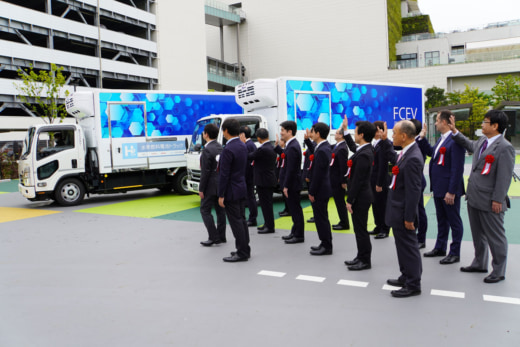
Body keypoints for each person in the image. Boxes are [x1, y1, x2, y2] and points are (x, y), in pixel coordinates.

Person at [448, 110, 515, 283]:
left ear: (495, 126)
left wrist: (498, 199)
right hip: (474, 197)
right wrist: (455, 131)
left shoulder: (505, 147)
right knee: (478, 234)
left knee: (495, 236)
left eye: (485, 122)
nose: (482, 125)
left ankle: (499, 270)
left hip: (490, 200)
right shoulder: (483, 141)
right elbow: (469, 145)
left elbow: (504, 177)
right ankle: (479, 263)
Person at [381, 120, 424, 297]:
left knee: (408, 247)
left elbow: (414, 191)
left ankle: (413, 284)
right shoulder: (407, 152)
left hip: (403, 211)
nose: (392, 136)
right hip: (397, 208)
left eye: (394, 134)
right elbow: (396, 163)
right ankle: (406, 275)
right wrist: (385, 142)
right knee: (402, 245)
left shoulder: (413, 157)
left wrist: (409, 218)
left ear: (404, 136)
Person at [417, 110, 465, 264]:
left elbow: (457, 169)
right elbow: (433, 154)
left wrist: (451, 191)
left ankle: (455, 252)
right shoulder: (442, 139)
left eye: (437, 120)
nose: (435, 123)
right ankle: (440, 247)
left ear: (444, 122)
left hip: (449, 190)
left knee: (454, 220)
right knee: (441, 220)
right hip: (438, 187)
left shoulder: (455, 140)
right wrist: (422, 139)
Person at [342, 118, 376, 270]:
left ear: (361, 135)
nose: (354, 135)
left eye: (355, 133)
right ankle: (360, 256)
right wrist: (346, 131)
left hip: (361, 197)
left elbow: (358, 180)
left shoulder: (364, 154)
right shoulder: (364, 150)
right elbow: (353, 147)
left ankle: (365, 260)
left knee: (361, 229)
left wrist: (350, 199)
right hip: (362, 195)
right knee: (358, 229)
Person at [218, 118, 251, 262]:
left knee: (236, 221)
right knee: (242, 219)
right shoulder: (243, 145)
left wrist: (220, 194)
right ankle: (244, 249)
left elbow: (224, 174)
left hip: (231, 190)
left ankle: (242, 252)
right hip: (241, 187)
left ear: (225, 131)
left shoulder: (228, 149)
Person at [276, 120, 305, 244]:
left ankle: (299, 235)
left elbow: (291, 169)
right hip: (291, 183)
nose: (281, 133)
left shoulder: (293, 146)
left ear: (290, 131)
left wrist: (286, 185)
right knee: (293, 210)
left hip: (292, 184)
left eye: (283, 130)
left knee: (295, 210)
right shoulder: (290, 145)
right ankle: (295, 231)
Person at [307, 122, 333, 255]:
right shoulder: (321, 147)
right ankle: (324, 242)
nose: (311, 133)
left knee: (321, 217)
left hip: (320, 190)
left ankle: (326, 245)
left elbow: (319, 174)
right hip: (322, 188)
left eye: (313, 131)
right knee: (321, 217)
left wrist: (312, 191)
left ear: (318, 133)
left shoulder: (323, 150)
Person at [199, 123, 227, 246]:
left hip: (210, 185)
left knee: (205, 210)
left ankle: (213, 236)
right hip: (220, 183)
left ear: (206, 134)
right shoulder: (220, 147)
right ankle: (221, 236)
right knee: (220, 211)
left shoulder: (207, 150)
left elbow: (205, 172)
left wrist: (201, 189)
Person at [249, 128, 277, 234]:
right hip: (268, 179)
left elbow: (250, 156)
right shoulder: (270, 147)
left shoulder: (263, 149)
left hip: (264, 180)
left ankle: (269, 226)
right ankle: (267, 223)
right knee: (267, 204)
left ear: (259, 138)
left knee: (266, 205)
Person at [369, 121, 391, 239]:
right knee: (375, 204)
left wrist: (379, 183)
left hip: (380, 181)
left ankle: (385, 228)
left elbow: (383, 166)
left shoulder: (382, 145)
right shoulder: (375, 144)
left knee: (382, 205)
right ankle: (378, 225)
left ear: (379, 131)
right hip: (373, 179)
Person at [411, 119, 428, 248]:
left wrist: (422, 138)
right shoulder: (412, 141)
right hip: (412, 182)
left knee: (419, 210)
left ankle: (421, 239)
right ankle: (415, 235)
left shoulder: (419, 142)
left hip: (418, 182)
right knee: (414, 210)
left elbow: (428, 152)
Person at [329, 128, 350, 230]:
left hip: (338, 179)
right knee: (338, 202)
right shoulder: (337, 146)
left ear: (341, 135)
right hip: (334, 178)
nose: (335, 134)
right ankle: (342, 221)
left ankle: (345, 223)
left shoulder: (342, 148)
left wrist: (343, 181)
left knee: (340, 202)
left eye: (337, 133)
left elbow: (343, 166)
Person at [240, 125, 258, 227]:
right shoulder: (251, 144)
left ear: (242, 135)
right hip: (250, 175)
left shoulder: (247, 145)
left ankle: (252, 218)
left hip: (248, 175)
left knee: (250, 197)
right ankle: (252, 217)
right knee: (250, 197)